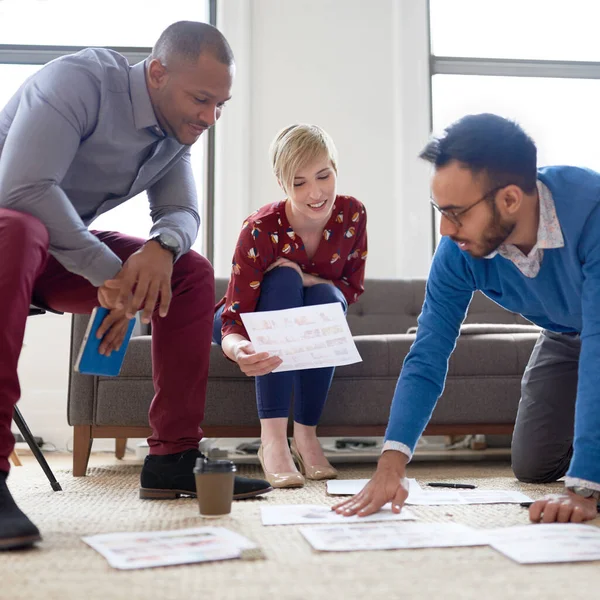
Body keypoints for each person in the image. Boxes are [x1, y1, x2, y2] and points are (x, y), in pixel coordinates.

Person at [0, 21, 272, 551]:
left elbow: (181, 211)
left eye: (222, 105)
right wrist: (111, 276)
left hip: (50, 254)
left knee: (188, 270)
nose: (210, 117)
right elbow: (22, 188)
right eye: (201, 99)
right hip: (8, 230)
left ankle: (172, 457)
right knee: (22, 227)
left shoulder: (174, 135)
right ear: (156, 74)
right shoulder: (77, 83)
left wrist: (161, 249)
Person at [334, 113, 600, 524]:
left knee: (585, 475)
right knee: (534, 465)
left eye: (456, 213)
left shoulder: (591, 211)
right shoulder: (456, 252)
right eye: (439, 210)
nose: (445, 228)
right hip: (565, 334)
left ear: (510, 199)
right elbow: (427, 354)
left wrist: (583, 488)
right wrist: (391, 464)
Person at [213, 124, 368, 488]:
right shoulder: (260, 229)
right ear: (282, 184)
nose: (315, 193)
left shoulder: (352, 215)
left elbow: (351, 289)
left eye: (323, 176)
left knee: (327, 299)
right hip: (243, 321)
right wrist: (239, 352)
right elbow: (234, 319)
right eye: (299, 183)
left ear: (335, 168)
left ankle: (306, 436)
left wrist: (309, 278)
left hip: (313, 306)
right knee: (282, 282)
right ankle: (272, 442)